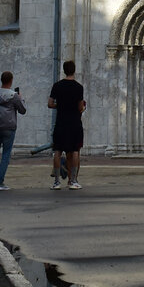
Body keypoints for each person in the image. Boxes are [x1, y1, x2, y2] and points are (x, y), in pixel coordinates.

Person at [48, 60, 85, 190]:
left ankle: (57, 182)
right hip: (74, 122)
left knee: (57, 151)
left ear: (64, 70)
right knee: (75, 150)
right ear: (74, 70)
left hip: (61, 122)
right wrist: (81, 108)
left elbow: (50, 103)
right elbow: (80, 107)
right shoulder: (79, 87)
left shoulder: (57, 86)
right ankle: (73, 180)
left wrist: (60, 105)